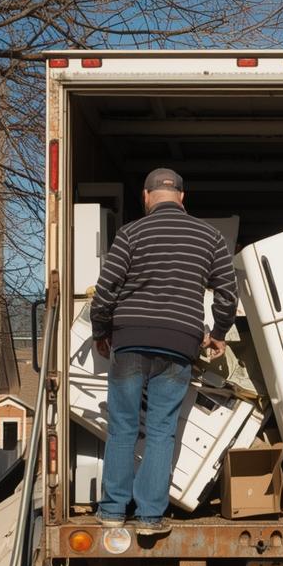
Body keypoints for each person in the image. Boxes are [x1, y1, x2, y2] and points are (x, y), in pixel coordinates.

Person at [90, 168, 236, 535]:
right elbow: (228, 293)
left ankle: (111, 511)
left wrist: (100, 331)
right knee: (161, 430)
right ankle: (150, 518)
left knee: (122, 428)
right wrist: (218, 333)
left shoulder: (130, 234)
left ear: (145, 196)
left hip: (130, 340)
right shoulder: (211, 237)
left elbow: (105, 289)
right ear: (182, 197)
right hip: (179, 343)